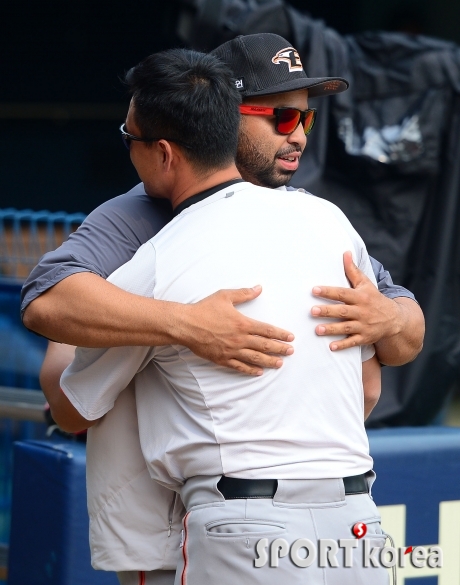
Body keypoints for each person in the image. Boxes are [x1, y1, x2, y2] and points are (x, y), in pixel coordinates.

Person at [26, 32, 423, 585]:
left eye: (305, 120)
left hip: (229, 517)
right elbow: (53, 302)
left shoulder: (304, 221)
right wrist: (187, 326)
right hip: (334, 517)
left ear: (164, 148)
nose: (300, 136)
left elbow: (69, 402)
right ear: (224, 115)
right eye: (281, 118)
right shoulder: (322, 222)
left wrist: (392, 318)